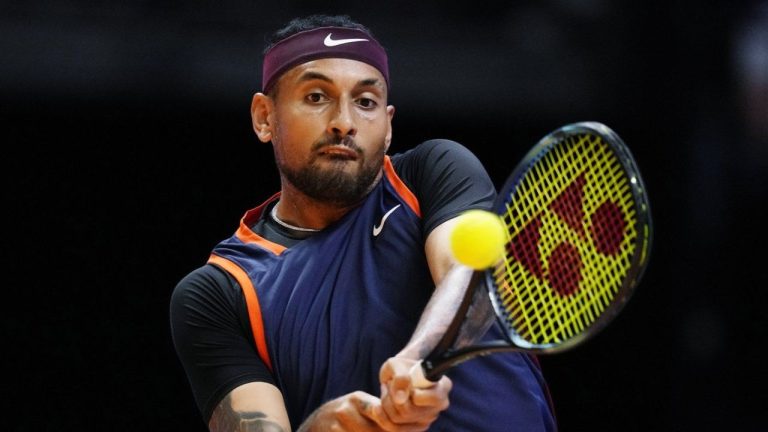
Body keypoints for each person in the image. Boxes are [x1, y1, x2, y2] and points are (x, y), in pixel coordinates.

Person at [170, 14, 557, 431]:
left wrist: (416, 357)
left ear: (389, 125)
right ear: (264, 117)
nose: (345, 122)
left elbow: (467, 273)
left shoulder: (432, 173)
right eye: (317, 97)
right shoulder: (220, 292)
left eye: (366, 102)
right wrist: (322, 427)